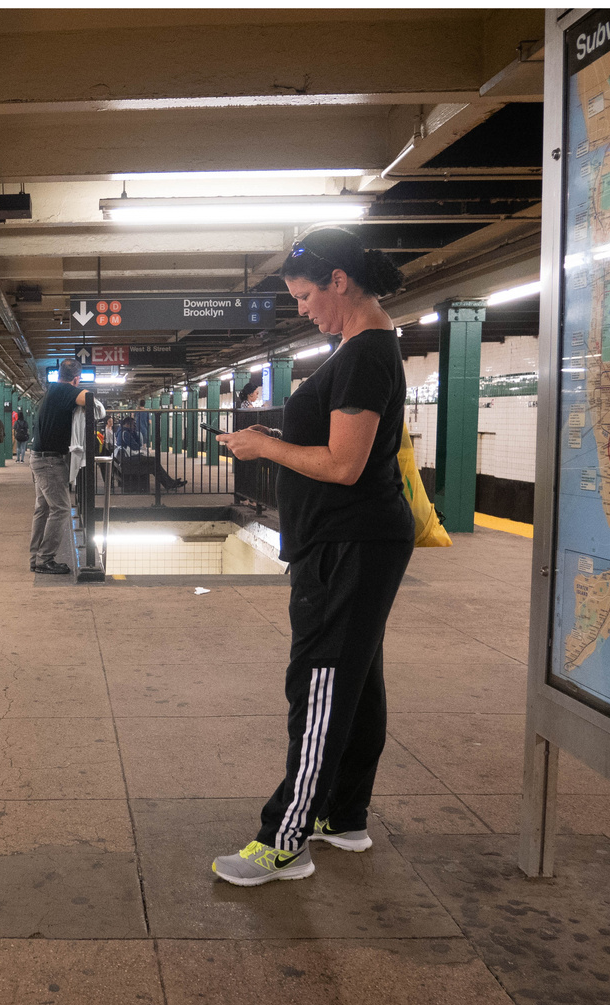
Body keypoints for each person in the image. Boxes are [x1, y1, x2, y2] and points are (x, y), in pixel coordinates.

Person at [212, 226, 414, 886]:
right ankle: (341, 816)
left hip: (347, 544)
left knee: (321, 683)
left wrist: (265, 449)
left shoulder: (361, 355)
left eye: (303, 296)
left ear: (337, 282)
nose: (301, 310)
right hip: (357, 541)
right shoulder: (367, 349)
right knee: (355, 680)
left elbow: (344, 464)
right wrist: (272, 436)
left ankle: (285, 838)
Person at [28, 359, 89, 574]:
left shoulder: (53, 390)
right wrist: (81, 388)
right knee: (61, 509)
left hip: (40, 458)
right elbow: (88, 399)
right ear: (75, 378)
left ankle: (37, 557)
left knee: (43, 509)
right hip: (49, 462)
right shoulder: (65, 390)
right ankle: (45, 559)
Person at [114, 416, 185, 490]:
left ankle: (169, 483)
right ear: (127, 424)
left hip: (125, 458)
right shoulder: (125, 433)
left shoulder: (122, 431)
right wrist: (135, 433)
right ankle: (169, 483)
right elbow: (136, 446)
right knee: (153, 461)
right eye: (133, 425)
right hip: (128, 459)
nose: (134, 426)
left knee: (153, 463)